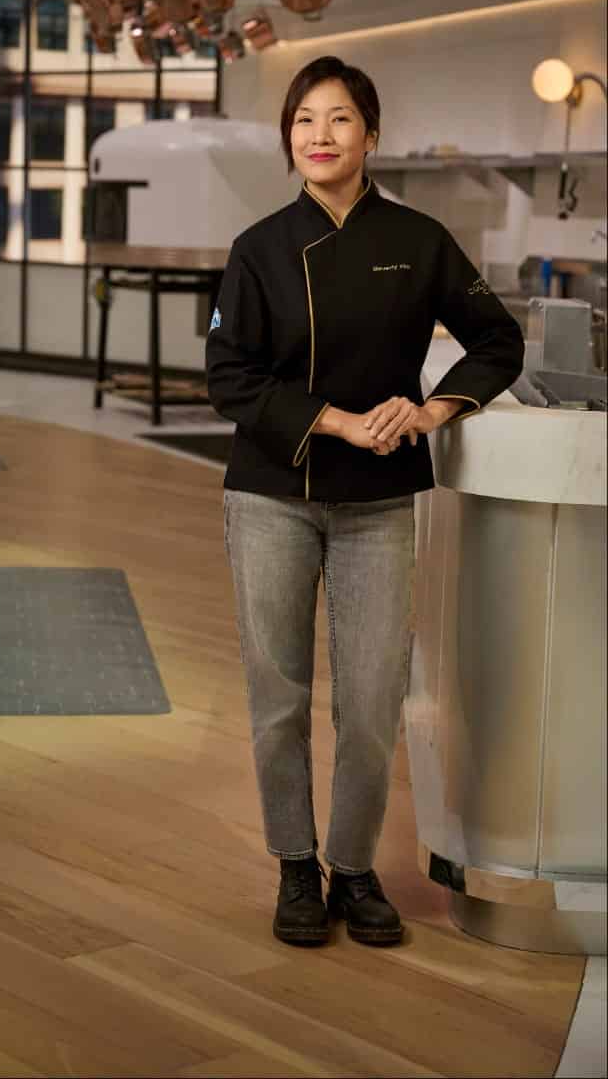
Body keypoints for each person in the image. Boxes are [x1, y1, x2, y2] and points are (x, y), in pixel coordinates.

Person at [206, 55, 523, 949]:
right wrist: (337, 421)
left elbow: (496, 340)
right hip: (272, 494)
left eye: (338, 119)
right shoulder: (259, 248)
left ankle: (354, 867)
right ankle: (295, 867)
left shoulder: (420, 240)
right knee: (277, 696)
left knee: (375, 700)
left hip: (382, 500)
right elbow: (228, 379)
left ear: (371, 135)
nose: (319, 136)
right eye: (304, 121)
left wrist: (434, 408)